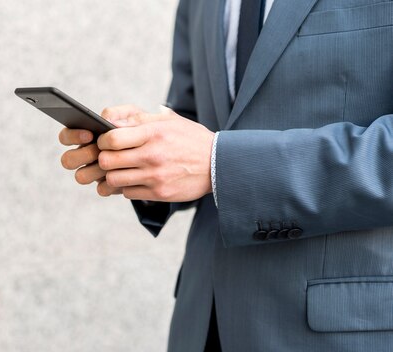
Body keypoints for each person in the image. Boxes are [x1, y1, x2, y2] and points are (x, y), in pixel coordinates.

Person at [58, 0, 393, 351]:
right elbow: (198, 123)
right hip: (203, 322)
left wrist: (221, 164)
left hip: (343, 329)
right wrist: (140, 152)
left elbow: (213, 154)